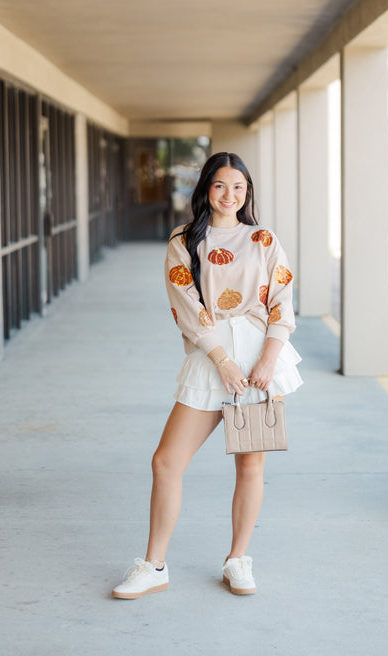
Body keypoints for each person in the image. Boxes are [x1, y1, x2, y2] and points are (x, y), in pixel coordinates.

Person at [112, 152, 302, 599]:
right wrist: (223, 360)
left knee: (251, 465)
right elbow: (187, 308)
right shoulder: (184, 239)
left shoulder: (263, 238)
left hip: (259, 363)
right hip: (211, 356)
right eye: (220, 186)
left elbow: (282, 303)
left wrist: (268, 361)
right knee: (166, 461)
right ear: (205, 189)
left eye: (239, 187)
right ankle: (154, 565)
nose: (230, 195)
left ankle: (238, 559)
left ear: (247, 191)